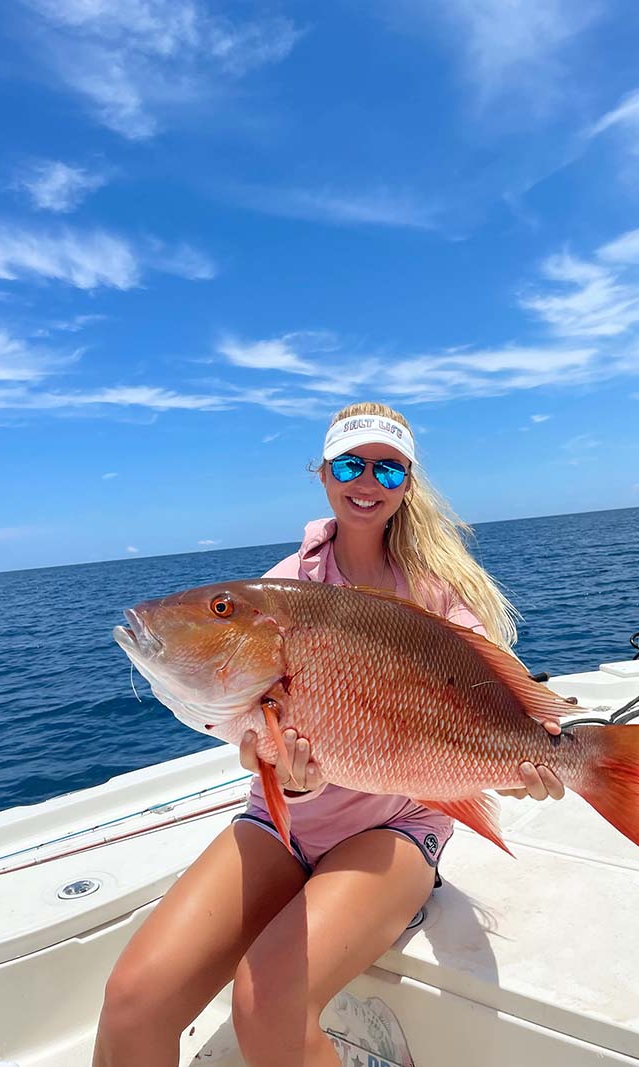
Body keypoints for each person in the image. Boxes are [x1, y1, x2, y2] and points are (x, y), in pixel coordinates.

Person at [92, 401, 565, 1067]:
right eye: (350, 463)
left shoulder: (436, 596)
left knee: (266, 1003)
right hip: (282, 826)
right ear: (322, 474)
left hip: (395, 828)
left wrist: (527, 757)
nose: (366, 480)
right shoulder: (285, 588)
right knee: (132, 997)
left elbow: (495, 705)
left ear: (407, 482)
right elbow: (260, 744)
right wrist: (286, 779)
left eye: (388, 468)